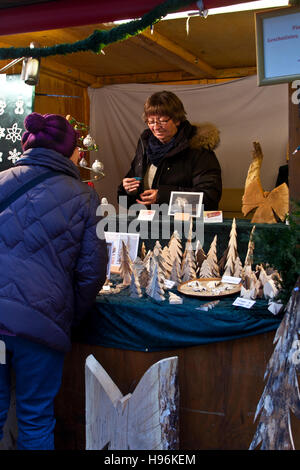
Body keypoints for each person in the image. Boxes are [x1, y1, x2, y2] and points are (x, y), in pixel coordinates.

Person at [0, 112, 108, 450]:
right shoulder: (84, 197)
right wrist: (68, 316)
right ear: (70, 150)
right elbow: (92, 272)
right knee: (35, 417)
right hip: (41, 324)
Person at [117, 90, 222, 210]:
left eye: (162, 120)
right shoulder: (145, 146)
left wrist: (163, 198)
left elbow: (209, 199)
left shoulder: (199, 150)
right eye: (151, 121)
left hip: (185, 227)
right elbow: (128, 204)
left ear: (177, 120)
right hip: (148, 225)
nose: (156, 127)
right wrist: (128, 191)